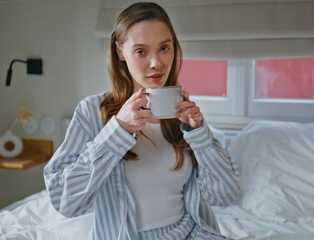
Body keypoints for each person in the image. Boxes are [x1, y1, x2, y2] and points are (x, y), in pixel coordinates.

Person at [44, 2, 239, 239]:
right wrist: (118, 131)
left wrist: (199, 134)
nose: (156, 63)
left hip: (190, 233)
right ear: (120, 52)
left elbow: (225, 196)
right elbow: (65, 202)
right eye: (141, 51)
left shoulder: (183, 116)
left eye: (164, 48)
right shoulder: (92, 113)